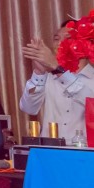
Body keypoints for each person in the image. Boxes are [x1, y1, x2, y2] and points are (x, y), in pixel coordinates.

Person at [22, 15, 94, 146]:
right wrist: (39, 73)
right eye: (56, 39)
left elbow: (90, 104)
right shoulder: (49, 76)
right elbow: (29, 108)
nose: (60, 43)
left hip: (84, 154)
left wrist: (57, 69)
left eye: (69, 38)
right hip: (49, 152)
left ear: (87, 45)